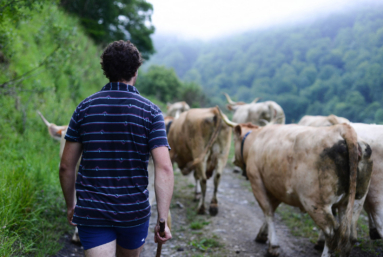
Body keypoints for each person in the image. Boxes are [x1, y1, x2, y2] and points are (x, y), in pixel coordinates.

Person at [59, 40, 174, 257]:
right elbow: (164, 168)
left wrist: (71, 205)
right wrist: (162, 220)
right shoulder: (151, 112)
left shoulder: (84, 108)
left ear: (106, 70)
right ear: (136, 70)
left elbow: (66, 166)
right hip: (133, 213)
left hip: (92, 211)